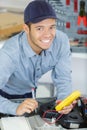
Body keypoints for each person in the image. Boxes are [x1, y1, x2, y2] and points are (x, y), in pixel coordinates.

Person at [0, 0, 75, 116]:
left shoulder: (61, 41)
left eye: (51, 27)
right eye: (39, 28)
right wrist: (14, 108)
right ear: (26, 29)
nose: (47, 34)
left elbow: (63, 77)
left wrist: (64, 100)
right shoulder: (10, 53)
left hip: (29, 94)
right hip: (4, 96)